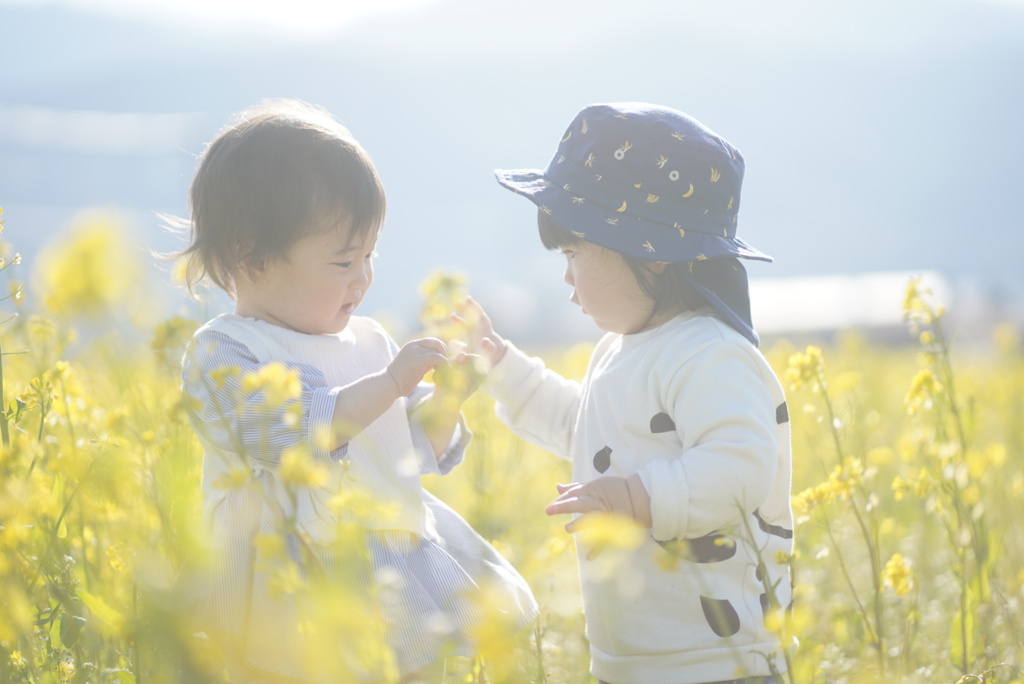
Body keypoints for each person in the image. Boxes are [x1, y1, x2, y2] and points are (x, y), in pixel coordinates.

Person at [176, 99, 536, 683]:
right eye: (344, 261)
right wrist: (392, 383)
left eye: (369, 256)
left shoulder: (365, 340)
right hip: (282, 575)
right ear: (255, 261)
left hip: (387, 558)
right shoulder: (226, 352)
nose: (364, 278)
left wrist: (444, 402)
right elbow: (296, 435)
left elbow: (408, 449)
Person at [460, 103, 793, 684]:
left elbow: (741, 466)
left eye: (573, 255)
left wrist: (635, 500)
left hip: (720, 659)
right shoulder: (622, 349)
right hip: (635, 660)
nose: (565, 278)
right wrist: (504, 367)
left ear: (652, 252)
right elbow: (582, 425)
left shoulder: (711, 353)